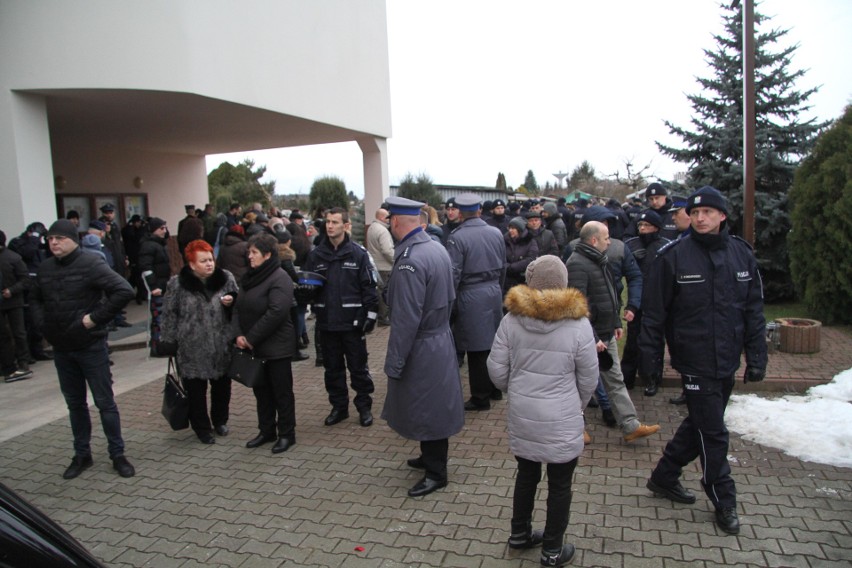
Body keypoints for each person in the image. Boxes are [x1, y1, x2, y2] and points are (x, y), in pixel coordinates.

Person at [641, 186, 767, 536]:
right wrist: (650, 365)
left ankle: (664, 476)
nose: (699, 218)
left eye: (708, 212)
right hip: (694, 360)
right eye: (695, 213)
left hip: (727, 359)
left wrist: (756, 357)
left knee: (700, 422)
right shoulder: (673, 256)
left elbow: (754, 311)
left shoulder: (742, 255)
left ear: (722, 216)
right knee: (714, 433)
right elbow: (654, 316)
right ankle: (723, 499)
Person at [488, 255, 598, 567]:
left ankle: (519, 535)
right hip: (562, 414)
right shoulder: (579, 324)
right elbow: (589, 376)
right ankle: (552, 549)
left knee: (526, 473)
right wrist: (576, 404)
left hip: (524, 412)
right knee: (560, 483)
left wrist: (515, 390)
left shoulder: (511, 320)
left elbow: (495, 369)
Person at [31, 219, 136, 479]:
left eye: (59, 238)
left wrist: (95, 318)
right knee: (75, 404)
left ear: (73, 240)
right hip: (62, 348)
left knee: (104, 402)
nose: (53, 242)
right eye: (50, 238)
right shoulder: (44, 269)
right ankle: (82, 454)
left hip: (90, 346)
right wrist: (42, 324)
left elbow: (123, 290)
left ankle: (117, 453)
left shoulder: (90, 263)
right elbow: (34, 298)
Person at [382, 196, 464, 497]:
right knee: (430, 404)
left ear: (394, 222)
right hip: (439, 337)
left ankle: (436, 472)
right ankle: (429, 457)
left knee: (429, 408)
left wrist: (395, 362)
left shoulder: (410, 261)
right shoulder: (435, 248)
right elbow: (451, 296)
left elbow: (405, 320)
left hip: (423, 343)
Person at [565, 221, 660, 443]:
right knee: (580, 383)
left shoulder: (601, 260)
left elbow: (611, 295)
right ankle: (575, 428)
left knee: (615, 380)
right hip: (590, 338)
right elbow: (577, 305)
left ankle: (630, 425)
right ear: (593, 240)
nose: (610, 241)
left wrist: (616, 321)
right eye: (606, 237)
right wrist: (593, 337)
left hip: (605, 332)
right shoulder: (577, 264)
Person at [303, 208, 378, 427]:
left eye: (335, 222)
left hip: (352, 325)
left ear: (346, 226)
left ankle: (364, 407)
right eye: (327, 222)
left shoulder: (358, 254)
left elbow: (369, 288)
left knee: (359, 369)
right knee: (332, 370)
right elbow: (308, 285)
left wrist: (370, 316)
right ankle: (339, 408)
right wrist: (305, 294)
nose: (330, 226)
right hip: (327, 324)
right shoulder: (316, 255)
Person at [160, 240, 238, 444]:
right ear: (192, 264)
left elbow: (238, 303)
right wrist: (168, 342)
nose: (209, 264)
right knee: (196, 391)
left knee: (222, 387)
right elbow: (169, 314)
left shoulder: (226, 278)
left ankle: (220, 420)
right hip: (191, 347)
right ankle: (201, 427)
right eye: (203, 261)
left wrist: (231, 301)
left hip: (221, 344)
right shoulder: (177, 284)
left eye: (211, 259)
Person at [235, 232, 298, 453]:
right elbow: (239, 306)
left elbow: (277, 312)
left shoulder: (280, 278)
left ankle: (287, 434)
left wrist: (250, 338)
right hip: (256, 346)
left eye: (254, 253)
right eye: (249, 252)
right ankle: (266, 430)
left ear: (268, 254)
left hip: (276, 347)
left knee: (281, 392)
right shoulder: (250, 277)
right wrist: (239, 334)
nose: (249, 257)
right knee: (261, 392)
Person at [446, 193, 506, 411]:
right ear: (479, 210)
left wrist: (450, 301)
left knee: (476, 348)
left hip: (471, 293)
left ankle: (481, 396)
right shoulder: (495, 232)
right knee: (492, 344)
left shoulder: (457, 237)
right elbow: (503, 266)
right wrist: (497, 288)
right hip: (493, 290)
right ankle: (495, 389)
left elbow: (453, 273)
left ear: (460, 212)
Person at [621, 210, 670, 395]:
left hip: (657, 301)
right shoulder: (632, 245)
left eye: (647, 226)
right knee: (633, 340)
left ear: (656, 227)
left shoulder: (665, 246)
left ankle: (652, 378)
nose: (643, 229)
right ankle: (628, 377)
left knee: (653, 341)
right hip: (637, 300)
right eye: (640, 226)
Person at [0, 230, 33, 382]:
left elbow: (25, 280)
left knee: (19, 332)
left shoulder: (13, 258)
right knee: (3, 335)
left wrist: (11, 290)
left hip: (14, 301)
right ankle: (7, 365)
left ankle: (23, 362)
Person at [138, 217, 171, 354]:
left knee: (162, 317)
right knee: (159, 318)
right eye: (161, 228)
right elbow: (146, 268)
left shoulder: (158, 244)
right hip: (157, 287)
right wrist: (152, 287)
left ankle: (159, 345)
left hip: (162, 285)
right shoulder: (149, 245)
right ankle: (157, 347)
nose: (164, 231)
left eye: (165, 228)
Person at [366, 207, 394, 327]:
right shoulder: (383, 231)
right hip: (385, 266)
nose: (389, 220)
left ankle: (381, 316)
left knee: (379, 292)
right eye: (387, 217)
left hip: (376, 265)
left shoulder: (371, 228)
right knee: (385, 293)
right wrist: (396, 260)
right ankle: (384, 317)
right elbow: (387, 250)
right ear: (382, 217)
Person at [503, 216, 538, 294]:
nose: (510, 230)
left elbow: (531, 259)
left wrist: (512, 267)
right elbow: (500, 257)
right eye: (509, 228)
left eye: (513, 228)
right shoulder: (504, 240)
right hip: (506, 281)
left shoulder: (530, 242)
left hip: (522, 280)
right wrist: (506, 267)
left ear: (520, 230)